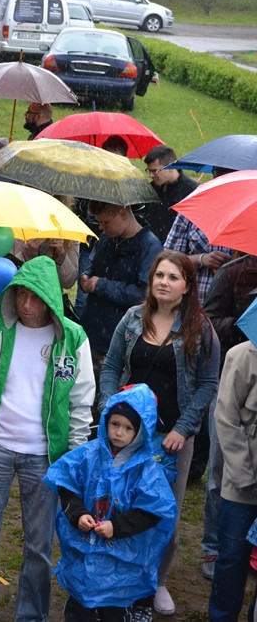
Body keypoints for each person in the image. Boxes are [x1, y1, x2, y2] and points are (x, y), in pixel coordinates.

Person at [0, 255, 95, 622]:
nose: (26, 304)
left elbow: (81, 401)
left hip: (45, 455)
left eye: (35, 297)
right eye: (20, 294)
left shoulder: (73, 338)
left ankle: (32, 615)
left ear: (50, 299)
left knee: (39, 543)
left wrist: (74, 455)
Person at [99, 249, 220, 616]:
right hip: (125, 436)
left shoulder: (201, 329)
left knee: (163, 512)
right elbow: (111, 365)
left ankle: (158, 580)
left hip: (171, 440)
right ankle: (116, 576)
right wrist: (109, 410)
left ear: (188, 286)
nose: (164, 283)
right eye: (159, 275)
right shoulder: (132, 319)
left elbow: (208, 384)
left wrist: (184, 429)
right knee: (119, 505)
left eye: (173, 277)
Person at [43, 384, 177, 621]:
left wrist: (117, 527)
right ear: (106, 420)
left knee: (114, 608)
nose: (118, 433)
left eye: (128, 428)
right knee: (80, 606)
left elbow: (153, 511)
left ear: (141, 431)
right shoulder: (88, 455)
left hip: (122, 560)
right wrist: (77, 514)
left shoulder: (146, 470)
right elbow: (66, 483)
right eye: (114, 424)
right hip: (84, 547)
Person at [80, 201, 163, 376]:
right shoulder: (107, 239)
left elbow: (144, 295)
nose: (101, 228)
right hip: (91, 333)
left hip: (120, 341)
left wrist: (101, 285)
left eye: (106, 222)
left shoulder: (149, 246)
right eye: (99, 222)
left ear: (123, 214)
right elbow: (93, 264)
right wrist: (85, 276)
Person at [209, 340, 257, 621]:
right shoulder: (242, 356)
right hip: (243, 485)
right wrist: (244, 474)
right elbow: (226, 417)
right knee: (232, 557)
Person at [140, 145, 197, 245]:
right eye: (148, 171)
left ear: (171, 167)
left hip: (178, 251)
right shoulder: (151, 189)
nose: (150, 175)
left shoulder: (192, 192)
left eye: (155, 171)